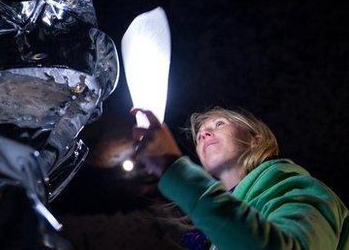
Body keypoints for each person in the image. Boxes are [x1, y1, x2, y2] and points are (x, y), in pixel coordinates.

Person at [130, 106, 349, 250]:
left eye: (219, 124)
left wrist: (172, 167)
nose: (205, 134)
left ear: (255, 139)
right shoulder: (213, 232)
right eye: (199, 136)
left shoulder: (298, 189)